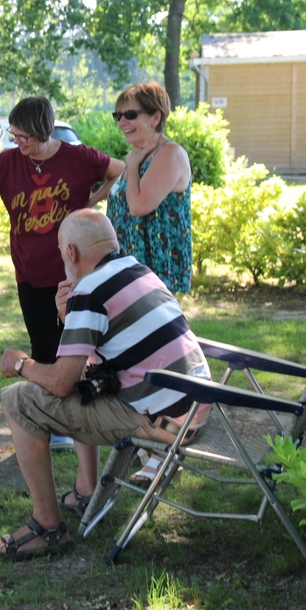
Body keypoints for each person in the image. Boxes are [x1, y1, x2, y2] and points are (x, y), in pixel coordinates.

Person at [0, 209, 210, 560]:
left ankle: (47, 527)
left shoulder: (89, 290)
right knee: (78, 386)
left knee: (19, 399)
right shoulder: (138, 271)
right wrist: (68, 319)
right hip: (195, 409)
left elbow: (60, 383)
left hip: (162, 423)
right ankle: (84, 489)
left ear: (71, 252)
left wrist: (19, 363)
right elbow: (97, 367)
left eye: (61, 252)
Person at [0, 97, 123, 451]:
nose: (19, 143)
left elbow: (120, 171)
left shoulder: (79, 158)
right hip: (29, 272)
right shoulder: (8, 163)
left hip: (74, 272)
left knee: (76, 349)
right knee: (43, 347)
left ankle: (84, 419)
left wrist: (93, 201)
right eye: (14, 136)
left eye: (24, 137)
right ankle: (55, 422)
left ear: (43, 131)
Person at [103, 81, 206, 482]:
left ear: (156, 116)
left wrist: (130, 165)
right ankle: (142, 439)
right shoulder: (141, 154)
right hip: (129, 271)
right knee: (132, 358)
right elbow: (113, 202)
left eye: (130, 115)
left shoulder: (169, 154)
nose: (122, 122)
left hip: (153, 272)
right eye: (118, 115)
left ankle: (162, 449)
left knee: (159, 361)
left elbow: (139, 204)